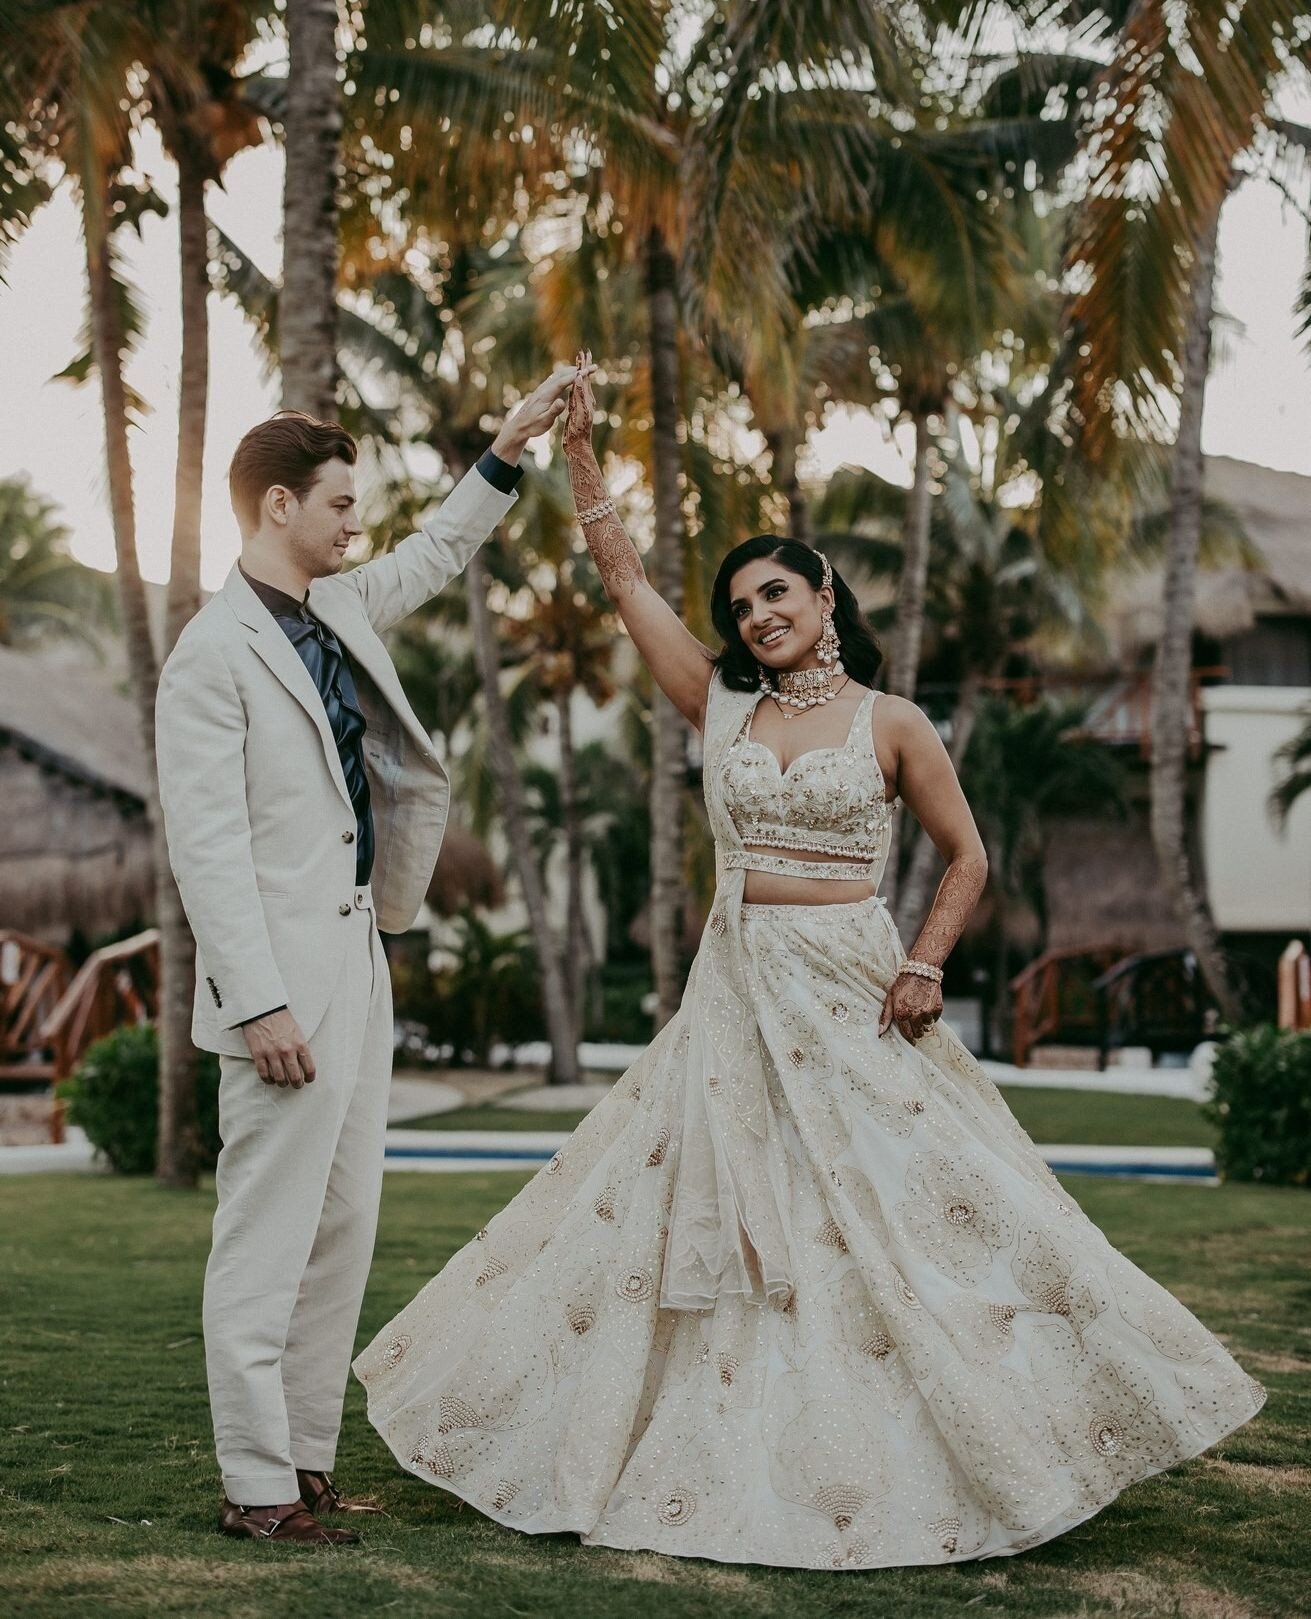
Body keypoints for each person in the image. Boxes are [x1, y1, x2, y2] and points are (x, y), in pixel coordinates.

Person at [353, 353, 1263, 1570]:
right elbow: (623, 576)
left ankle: (1003, 1424)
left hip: (854, 978)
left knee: (910, 1205)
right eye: (741, 607)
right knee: (707, 1205)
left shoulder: (893, 721)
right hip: (739, 982)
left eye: (776, 594)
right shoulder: (721, 708)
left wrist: (927, 966)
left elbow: (967, 857)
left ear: (825, 593)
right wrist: (578, 450)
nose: (758, 617)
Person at [154, 365, 579, 1545]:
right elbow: (210, 852)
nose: (357, 523)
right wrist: (259, 1002)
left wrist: (507, 443)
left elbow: (437, 553)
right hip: (278, 988)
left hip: (357, 955)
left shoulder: (335, 608)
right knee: (266, 1238)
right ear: (277, 504)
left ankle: (304, 1458)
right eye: (340, 502)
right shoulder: (210, 653)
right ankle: (254, 1488)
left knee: (342, 1225)